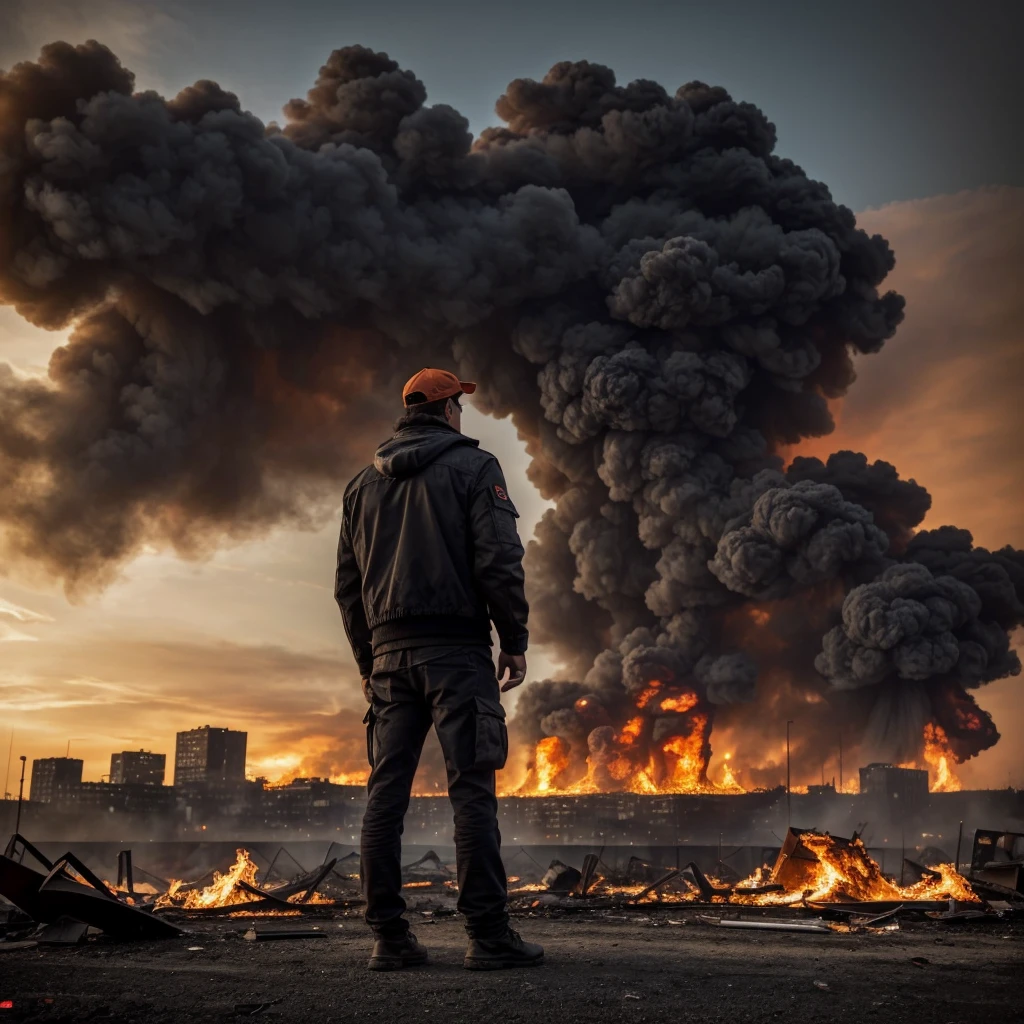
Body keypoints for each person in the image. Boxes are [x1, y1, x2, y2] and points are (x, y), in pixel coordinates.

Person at [335, 367, 544, 972]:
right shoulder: (476, 470)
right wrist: (515, 639)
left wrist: (368, 664)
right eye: (461, 404)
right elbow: (500, 558)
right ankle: (487, 936)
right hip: (457, 654)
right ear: (450, 408)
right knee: (472, 793)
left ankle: (389, 940)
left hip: (389, 661)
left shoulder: (359, 488)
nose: (463, 414)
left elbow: (348, 591)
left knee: (385, 797)